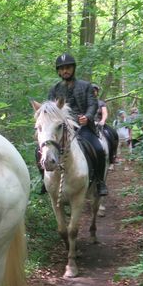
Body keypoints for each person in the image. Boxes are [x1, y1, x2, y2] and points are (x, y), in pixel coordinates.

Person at [48, 53, 108, 195]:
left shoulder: (86, 86)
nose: (65, 71)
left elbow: (92, 105)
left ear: (73, 68)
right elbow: (50, 110)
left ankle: (99, 182)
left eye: (68, 67)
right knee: (41, 150)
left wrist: (87, 117)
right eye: (61, 69)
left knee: (99, 149)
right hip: (61, 128)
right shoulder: (54, 90)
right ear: (58, 71)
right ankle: (46, 182)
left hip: (83, 127)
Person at [92, 84, 118, 167]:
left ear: (97, 92)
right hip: (88, 124)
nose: (93, 92)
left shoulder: (101, 103)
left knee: (113, 133)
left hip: (100, 124)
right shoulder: (84, 103)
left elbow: (105, 113)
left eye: (94, 90)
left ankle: (112, 155)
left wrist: (103, 120)